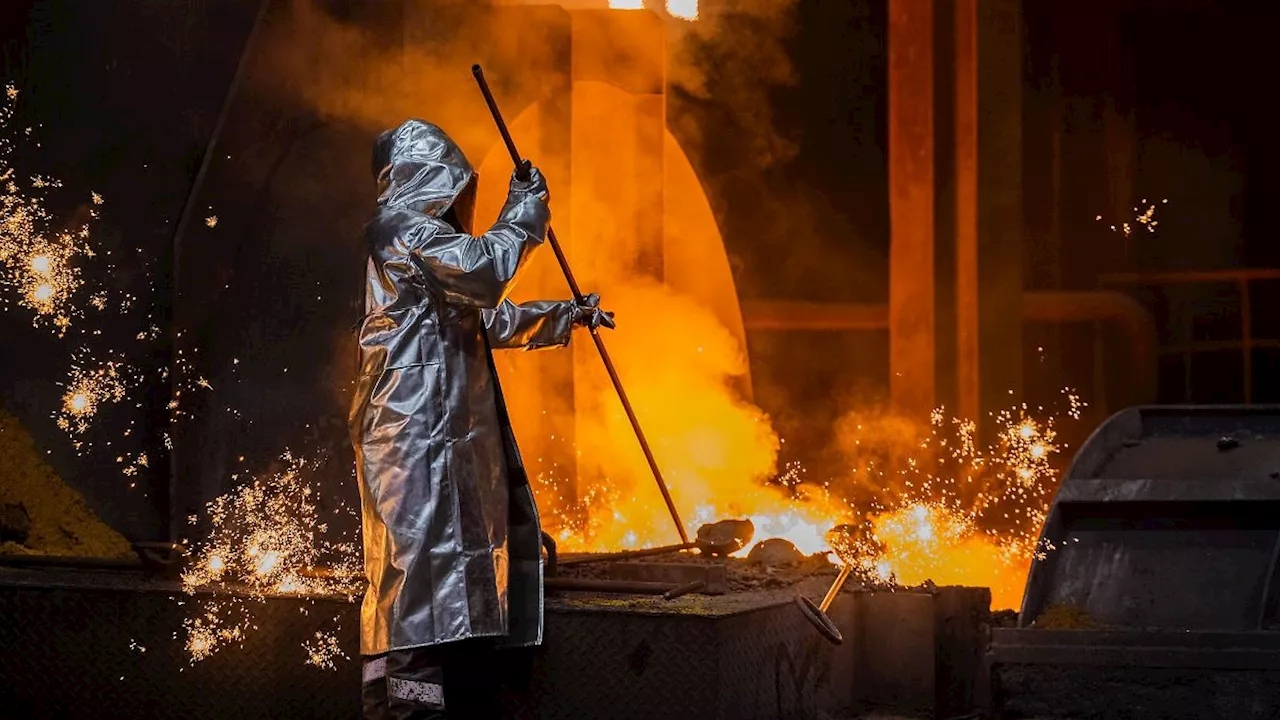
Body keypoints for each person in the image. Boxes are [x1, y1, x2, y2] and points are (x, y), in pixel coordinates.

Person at [349, 119, 614, 720]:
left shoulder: (424, 251)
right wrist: (523, 212)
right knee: (414, 585)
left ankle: (452, 702)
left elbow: (486, 320)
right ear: (430, 181)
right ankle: (401, 708)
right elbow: (487, 271)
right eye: (457, 188)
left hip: (440, 443)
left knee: (452, 577)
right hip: (409, 440)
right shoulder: (399, 229)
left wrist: (565, 317)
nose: (461, 203)